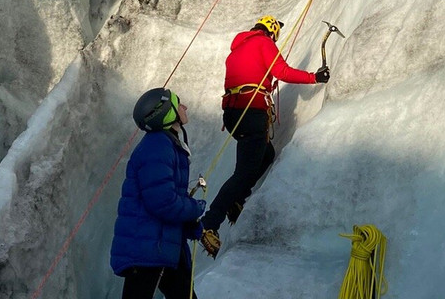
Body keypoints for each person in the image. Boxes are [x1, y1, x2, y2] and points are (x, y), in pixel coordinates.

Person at [199, 15, 330, 259]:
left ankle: (236, 200)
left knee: (266, 154)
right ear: (271, 30)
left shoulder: (237, 50)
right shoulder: (263, 42)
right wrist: (314, 77)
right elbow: (281, 71)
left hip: (234, 114)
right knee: (243, 173)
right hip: (251, 111)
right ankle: (209, 223)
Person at [111, 88, 206, 299]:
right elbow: (163, 202)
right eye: (178, 103)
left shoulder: (164, 144)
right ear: (166, 112)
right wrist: (195, 208)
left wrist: (189, 224)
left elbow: (163, 197)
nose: (184, 107)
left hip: (160, 244)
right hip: (150, 248)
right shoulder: (157, 147)